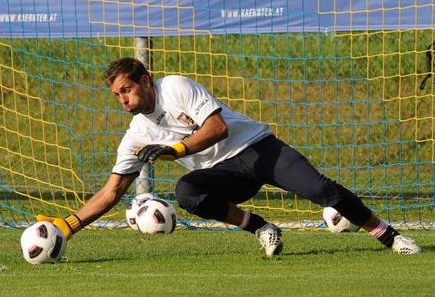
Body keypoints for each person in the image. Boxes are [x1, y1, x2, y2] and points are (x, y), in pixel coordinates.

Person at [38, 57, 421, 256]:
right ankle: (260, 228)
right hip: (225, 174)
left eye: (126, 91)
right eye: (117, 96)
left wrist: (177, 149)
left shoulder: (174, 87)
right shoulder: (137, 134)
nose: (122, 100)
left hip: (258, 151)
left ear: (144, 82)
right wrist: (68, 225)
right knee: (187, 192)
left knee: (323, 191)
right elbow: (112, 191)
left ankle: (388, 235)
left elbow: (217, 129)